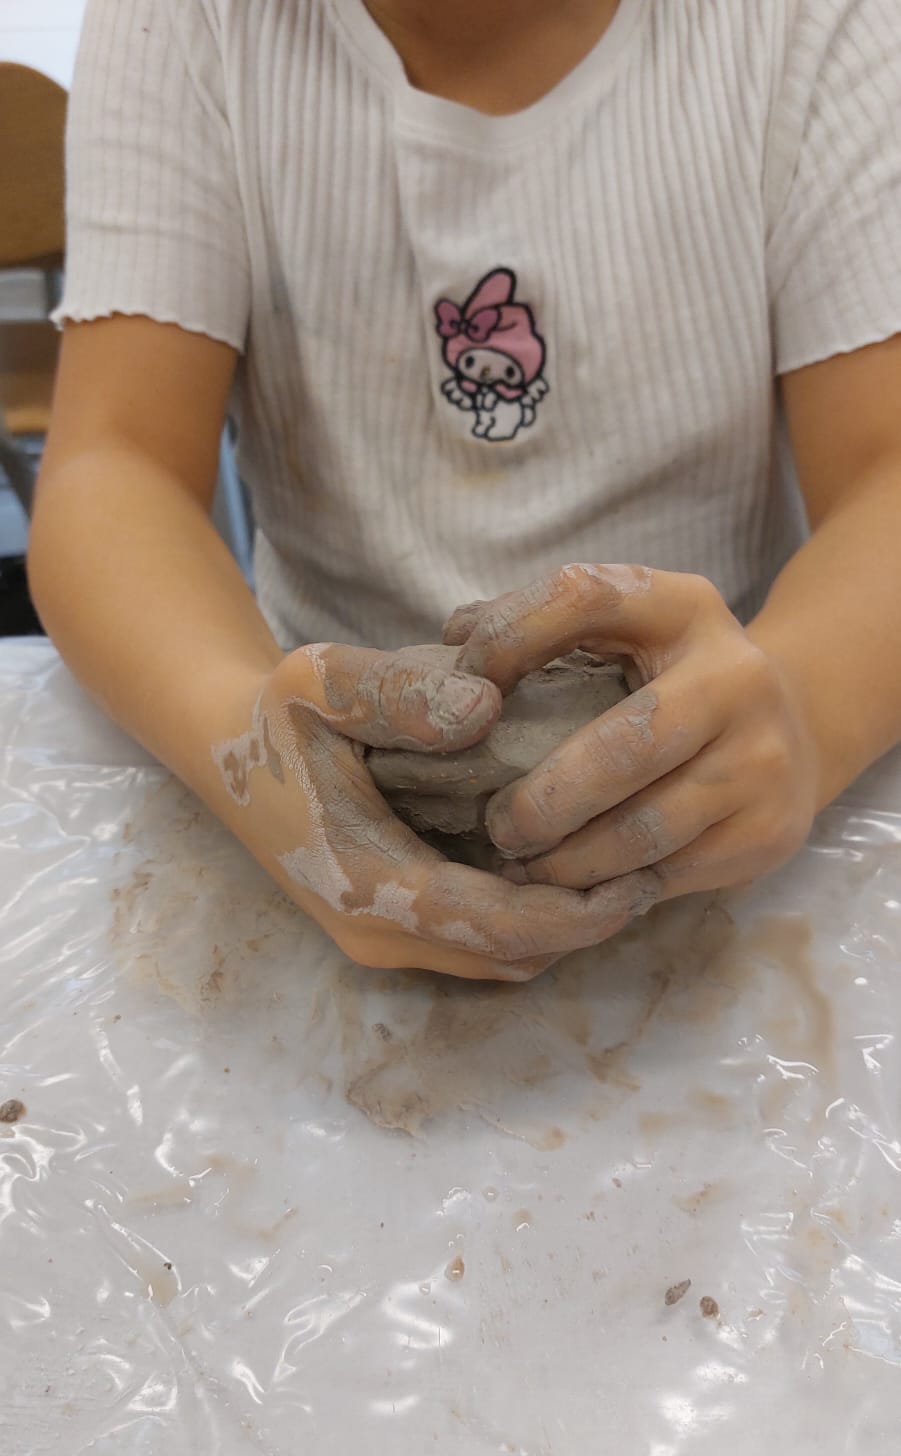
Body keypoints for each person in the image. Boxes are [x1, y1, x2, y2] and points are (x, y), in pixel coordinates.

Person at [28, 0, 901, 982]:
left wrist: (803, 709)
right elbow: (117, 461)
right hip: (319, 741)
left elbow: (887, 472)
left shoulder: (811, 22)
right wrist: (236, 729)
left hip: (727, 742)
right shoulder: (187, 20)